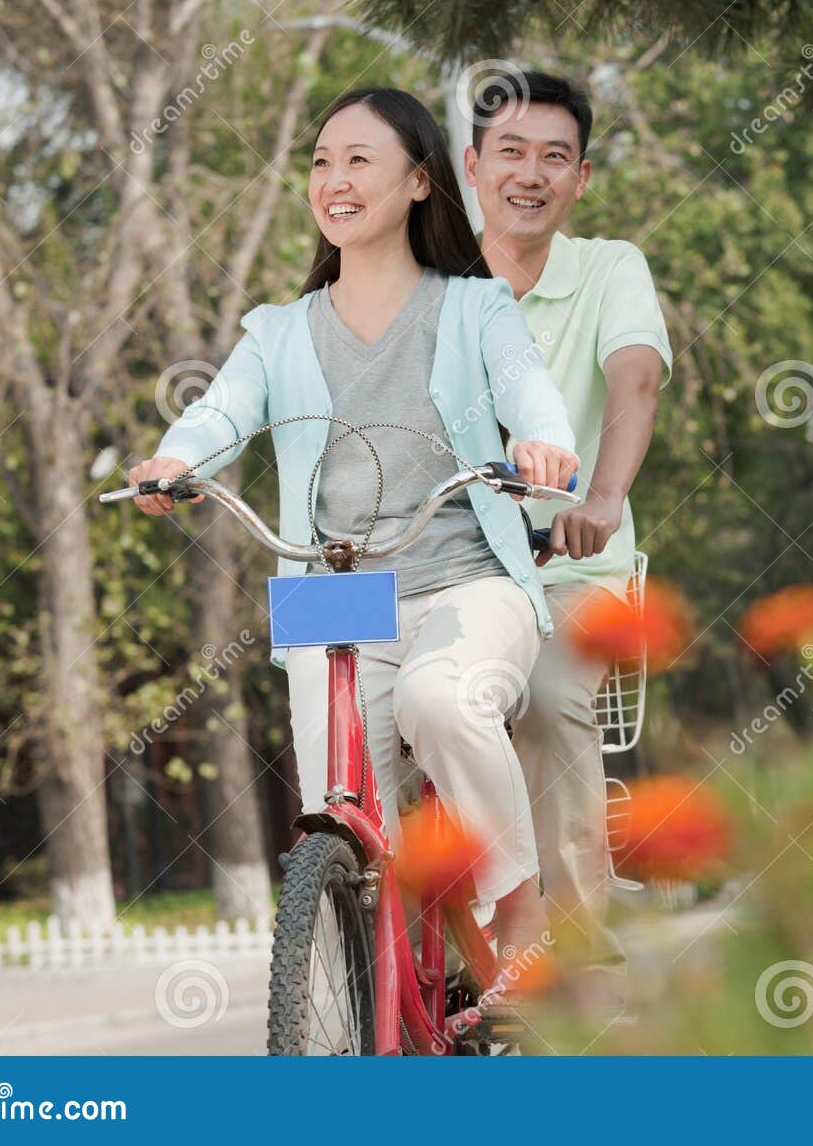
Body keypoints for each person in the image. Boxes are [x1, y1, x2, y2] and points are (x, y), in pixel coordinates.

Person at [127, 87, 579, 995]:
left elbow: (527, 386)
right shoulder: (280, 330)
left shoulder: (474, 307)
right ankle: (377, 1007)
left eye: (359, 160)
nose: (334, 180)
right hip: (330, 593)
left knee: (440, 701)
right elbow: (221, 408)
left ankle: (519, 903)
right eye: (321, 161)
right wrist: (174, 457)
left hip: (467, 581)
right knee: (340, 814)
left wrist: (543, 441)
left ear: (419, 181)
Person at [463, 72, 671, 1001]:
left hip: (566, 560)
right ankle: (411, 926)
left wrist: (605, 494)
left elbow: (634, 383)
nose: (531, 174)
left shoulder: (610, 268)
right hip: (454, 563)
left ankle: (578, 939)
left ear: (581, 178)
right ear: (471, 166)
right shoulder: (430, 283)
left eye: (555, 157)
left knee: (548, 703)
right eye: (511, 152)